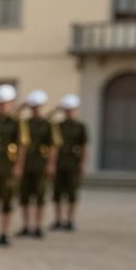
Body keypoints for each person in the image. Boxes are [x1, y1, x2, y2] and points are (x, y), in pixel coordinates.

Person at [0, 84, 28, 246]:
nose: (2, 106)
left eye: (5, 103)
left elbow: (22, 145)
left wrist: (18, 166)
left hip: (8, 166)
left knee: (6, 201)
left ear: (11, 103)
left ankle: (3, 233)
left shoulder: (16, 121)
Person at [18, 90, 60, 238]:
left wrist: (51, 164)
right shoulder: (24, 124)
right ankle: (25, 225)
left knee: (39, 196)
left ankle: (37, 226)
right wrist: (21, 107)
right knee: (24, 197)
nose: (34, 109)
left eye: (37, 107)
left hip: (40, 163)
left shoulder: (48, 124)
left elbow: (54, 146)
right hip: (26, 164)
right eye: (32, 106)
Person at [50, 94, 87, 231]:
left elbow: (84, 146)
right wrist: (55, 110)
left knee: (72, 193)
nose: (69, 112)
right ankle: (58, 219)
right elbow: (53, 145)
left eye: (71, 109)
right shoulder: (58, 126)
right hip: (59, 162)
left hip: (73, 162)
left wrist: (83, 164)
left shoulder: (80, 126)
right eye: (66, 109)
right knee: (57, 193)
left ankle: (70, 220)